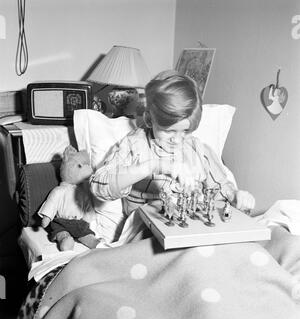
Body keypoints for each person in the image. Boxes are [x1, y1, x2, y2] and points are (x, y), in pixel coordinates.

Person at [90, 70, 255, 223]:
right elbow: (99, 186)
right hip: (147, 228)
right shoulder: (134, 144)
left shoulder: (198, 149)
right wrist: (154, 165)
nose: (177, 140)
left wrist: (236, 197)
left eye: (185, 131)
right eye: (169, 131)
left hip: (190, 225)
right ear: (149, 119)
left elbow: (220, 190)